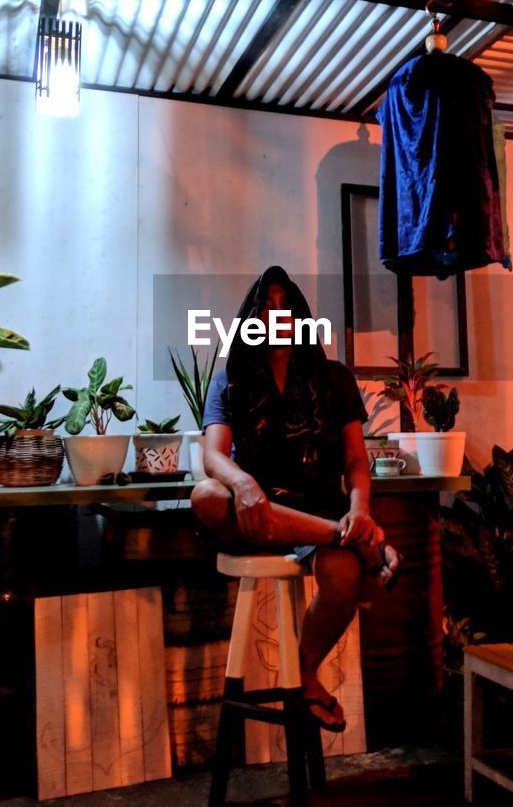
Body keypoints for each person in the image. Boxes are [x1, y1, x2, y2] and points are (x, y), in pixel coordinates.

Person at [190, 265, 400, 734]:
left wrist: (360, 510)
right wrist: (244, 485)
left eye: (285, 307)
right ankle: (354, 541)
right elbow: (213, 458)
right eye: (266, 306)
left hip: (319, 508)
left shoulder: (334, 379)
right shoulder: (230, 380)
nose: (276, 315)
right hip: (256, 516)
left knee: (343, 576)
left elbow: (355, 463)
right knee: (206, 495)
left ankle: (305, 675)